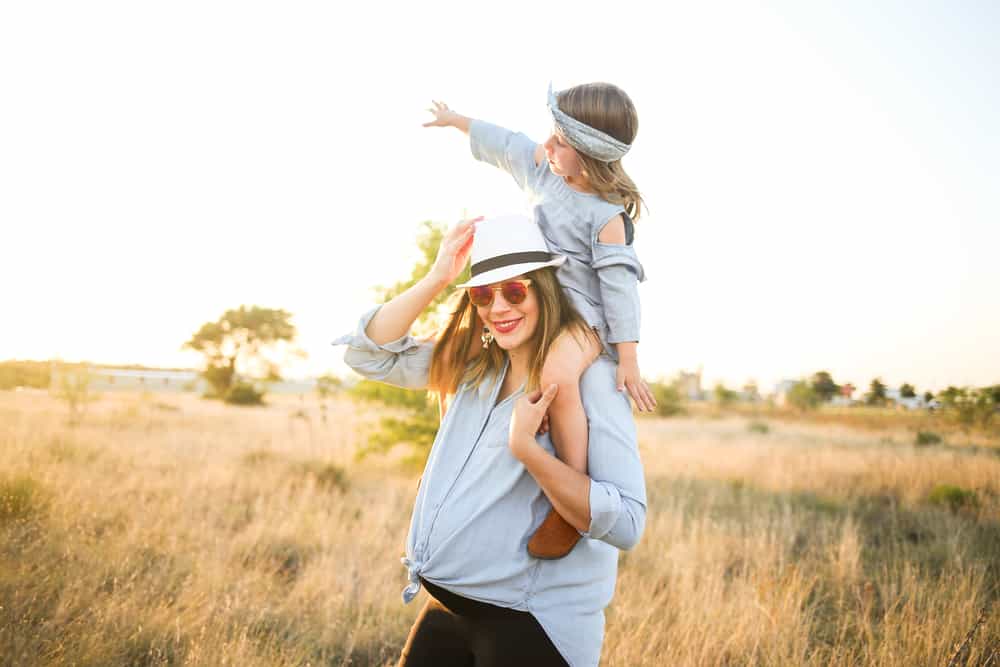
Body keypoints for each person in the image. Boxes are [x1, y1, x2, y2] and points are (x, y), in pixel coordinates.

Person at [333, 215, 646, 667]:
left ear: (545, 290)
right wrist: (438, 277)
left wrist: (526, 450)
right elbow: (366, 354)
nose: (498, 307)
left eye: (515, 290)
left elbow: (627, 523)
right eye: (483, 295)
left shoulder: (590, 380)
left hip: (529, 624)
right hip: (449, 603)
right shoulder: (473, 365)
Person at [423, 82, 656, 559]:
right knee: (462, 353)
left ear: (590, 155)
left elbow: (619, 288)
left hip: (583, 319)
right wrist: (456, 120)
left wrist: (627, 356)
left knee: (556, 375)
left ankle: (568, 496)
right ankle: (454, 458)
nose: (547, 146)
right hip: (538, 302)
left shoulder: (606, 217)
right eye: (552, 136)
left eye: (561, 143)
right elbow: (505, 142)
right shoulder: (543, 171)